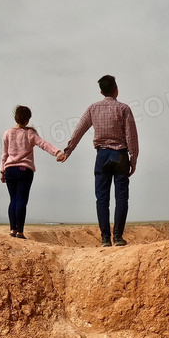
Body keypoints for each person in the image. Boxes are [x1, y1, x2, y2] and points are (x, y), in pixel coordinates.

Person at [62, 75, 139, 247]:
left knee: (102, 198)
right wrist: (133, 159)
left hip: (102, 155)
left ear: (101, 91)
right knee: (121, 198)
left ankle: (105, 238)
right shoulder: (124, 108)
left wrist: (68, 151)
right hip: (120, 155)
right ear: (116, 88)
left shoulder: (93, 108)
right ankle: (118, 236)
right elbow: (131, 135)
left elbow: (79, 130)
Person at [0, 105, 65, 239]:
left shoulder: (7, 133)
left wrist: (2, 171)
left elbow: (4, 154)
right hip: (24, 170)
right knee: (21, 200)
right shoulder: (30, 133)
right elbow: (44, 144)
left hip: (10, 169)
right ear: (28, 120)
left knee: (13, 199)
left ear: (15, 118)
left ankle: (12, 229)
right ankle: (20, 232)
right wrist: (57, 152)